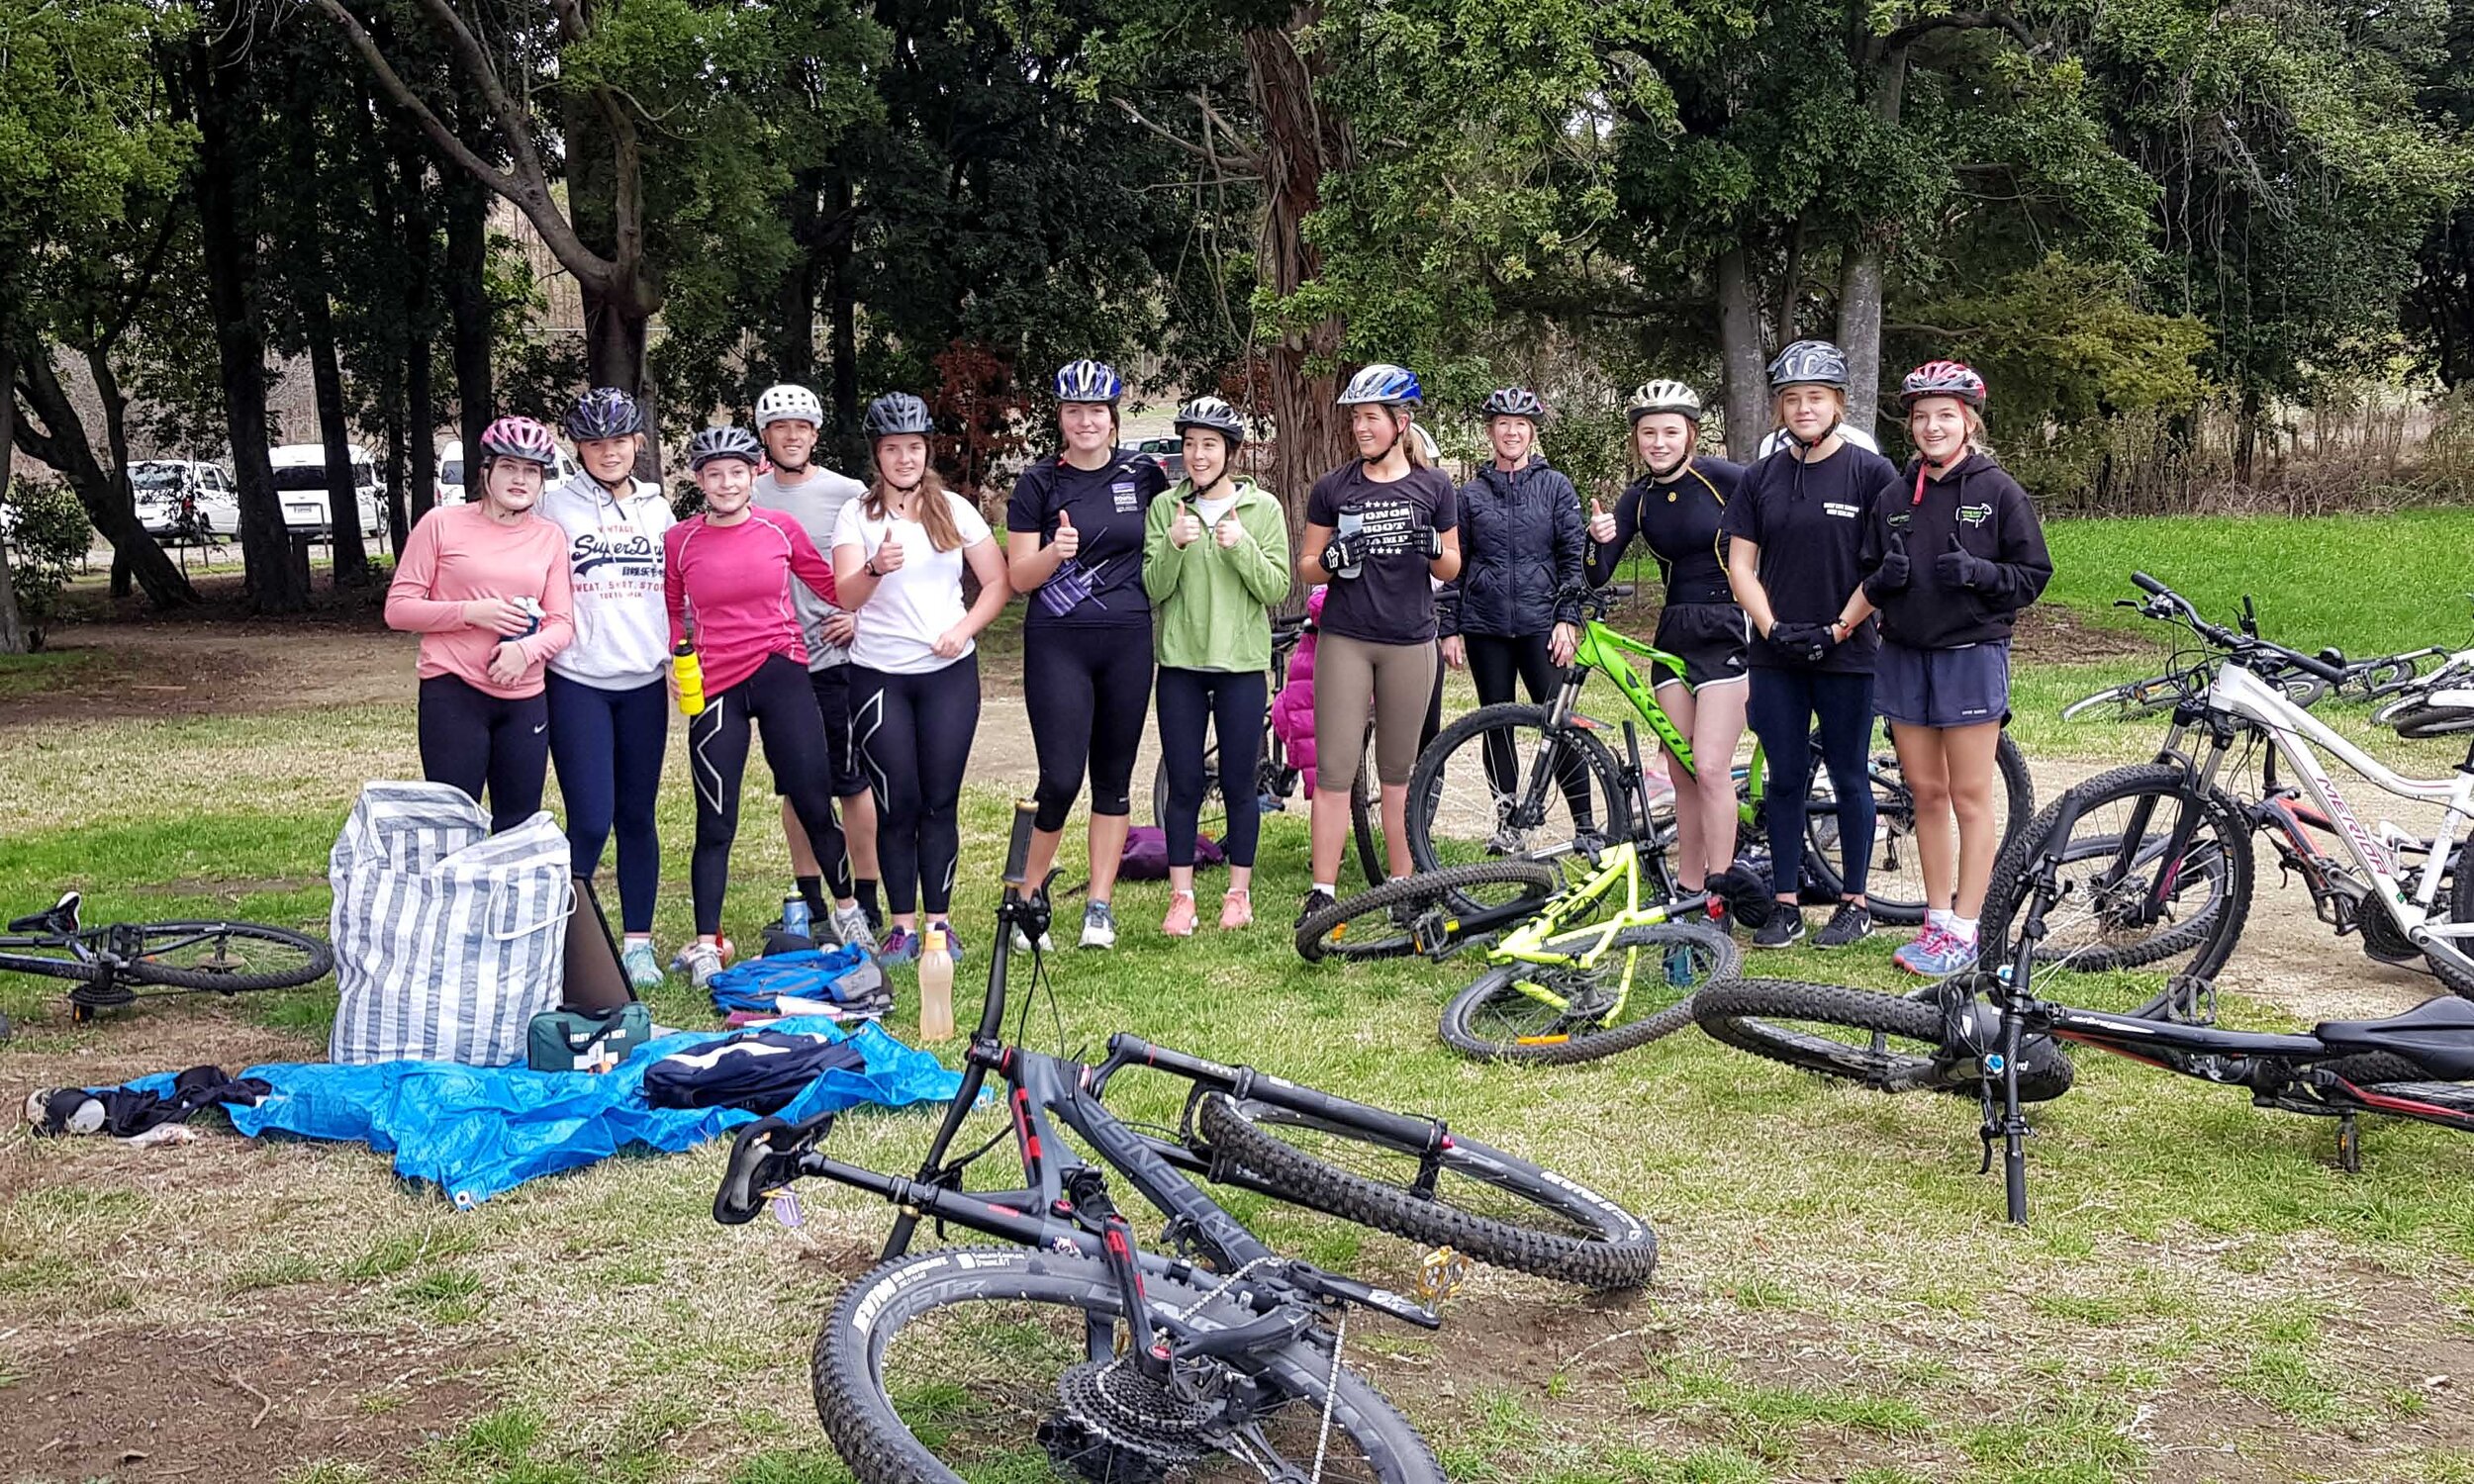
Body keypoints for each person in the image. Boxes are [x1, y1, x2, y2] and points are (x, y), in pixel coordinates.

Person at [1855, 360, 2050, 975]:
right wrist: (1881, 583)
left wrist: (1980, 574)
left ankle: (1970, 927)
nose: (1932, 426)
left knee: (1969, 795)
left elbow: (2033, 576)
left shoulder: (1998, 491)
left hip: (1970, 655)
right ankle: (1936, 920)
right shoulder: (1893, 496)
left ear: (1968, 422)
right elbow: (1869, 569)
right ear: (1909, 425)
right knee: (1926, 793)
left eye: (1946, 415)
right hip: (1906, 654)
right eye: (1921, 417)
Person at [664, 425, 866, 989]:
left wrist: (867, 588)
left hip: (782, 671)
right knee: (716, 819)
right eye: (712, 474)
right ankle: (707, 941)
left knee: (812, 802)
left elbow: (832, 587)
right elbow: (673, 610)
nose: (725, 483)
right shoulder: (680, 540)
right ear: (699, 480)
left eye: (734, 472)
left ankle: (848, 914)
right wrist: (672, 666)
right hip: (716, 684)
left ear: (752, 473)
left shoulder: (781, 527)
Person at [1721, 339, 1901, 951]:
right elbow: (1740, 564)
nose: (1803, 408)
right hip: (1776, 651)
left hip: (1849, 650)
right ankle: (1787, 903)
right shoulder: (1760, 478)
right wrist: (1772, 628)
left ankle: (1855, 901)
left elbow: (1886, 567)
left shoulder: (1871, 474)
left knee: (1850, 775)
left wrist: (1840, 627)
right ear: (1779, 407)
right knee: (1786, 778)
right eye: (1792, 399)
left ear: (1838, 405)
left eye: (1816, 398)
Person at [834, 393, 1011, 963]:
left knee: (940, 801)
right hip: (879, 676)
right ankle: (902, 926)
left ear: (927, 450)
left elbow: (997, 584)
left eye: (913, 447)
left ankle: (939, 923)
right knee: (897, 803)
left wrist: (963, 630)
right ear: (877, 456)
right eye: (892, 449)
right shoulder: (856, 516)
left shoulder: (955, 510)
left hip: (948, 675)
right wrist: (873, 568)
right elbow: (844, 594)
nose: (905, 458)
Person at [1005, 359, 1170, 950]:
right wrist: (1055, 552)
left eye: (1095, 411)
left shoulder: (1144, 475)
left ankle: (1099, 904)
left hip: (1127, 637)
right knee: (1059, 777)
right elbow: (1018, 576)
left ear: (1112, 417)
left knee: (1114, 780)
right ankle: (1024, 894)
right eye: (1073, 411)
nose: (1085, 422)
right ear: (1061, 417)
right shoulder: (1038, 483)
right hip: (1058, 640)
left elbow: (1188, 516)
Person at [1292, 363, 1462, 924]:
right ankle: (1323, 891)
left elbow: (1453, 564)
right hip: (1347, 638)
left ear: (1400, 422)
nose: (1360, 428)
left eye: (1370, 418)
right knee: (1337, 769)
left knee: (1398, 772)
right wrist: (1330, 564)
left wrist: (1431, 542)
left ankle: (1403, 885)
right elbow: (1308, 567)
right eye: (1356, 419)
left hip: (1411, 641)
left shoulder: (1433, 486)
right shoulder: (1333, 487)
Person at [1585, 379, 1752, 915]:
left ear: (1691, 435)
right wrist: (1598, 538)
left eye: (1670, 432)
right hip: (1674, 632)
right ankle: (1688, 890)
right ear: (1636, 438)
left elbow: (1784, 527)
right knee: (1681, 771)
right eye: (1648, 433)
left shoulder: (1726, 478)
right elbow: (1597, 576)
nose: (1658, 442)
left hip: (1729, 626)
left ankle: (1720, 895)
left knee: (1709, 766)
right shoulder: (1639, 497)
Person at [540, 388, 673, 987]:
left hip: (644, 680)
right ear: (579, 448)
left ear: (637, 443)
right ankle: (565, 938)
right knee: (591, 819)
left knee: (637, 816)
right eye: (595, 443)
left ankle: (638, 944)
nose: (609, 452)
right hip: (579, 680)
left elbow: (678, 589)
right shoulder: (554, 508)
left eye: (619, 440)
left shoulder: (658, 507)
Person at [1142, 395, 1288, 936]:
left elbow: (1276, 586)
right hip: (1180, 663)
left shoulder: (1262, 509)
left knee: (1238, 780)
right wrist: (1176, 546)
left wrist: (1242, 547)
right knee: (1183, 783)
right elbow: (1152, 587)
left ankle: (1238, 892)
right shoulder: (1166, 510)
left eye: (1209, 445)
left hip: (1241, 666)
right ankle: (1181, 897)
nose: (1197, 455)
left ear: (1230, 452)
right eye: (1189, 445)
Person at [386, 416, 573, 834]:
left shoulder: (550, 537)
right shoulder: (441, 523)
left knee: (518, 825)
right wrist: (471, 613)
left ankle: (508, 901)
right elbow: (398, 609)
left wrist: (525, 651)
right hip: (453, 690)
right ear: (485, 471)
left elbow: (562, 624)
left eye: (532, 471)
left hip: (524, 696)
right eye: (509, 467)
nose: (520, 479)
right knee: (452, 823)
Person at [752, 382, 884, 938]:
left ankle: (869, 895)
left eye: (801, 427)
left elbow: (876, 569)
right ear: (765, 436)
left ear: (815, 434)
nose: (791, 436)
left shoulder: (849, 493)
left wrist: (858, 616)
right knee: (796, 786)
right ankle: (809, 896)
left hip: (835, 656)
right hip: (777, 661)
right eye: (780, 427)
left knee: (851, 783)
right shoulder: (745, 491)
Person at [1442, 387, 1588, 843]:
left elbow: (1573, 556)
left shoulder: (1555, 487)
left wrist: (1568, 616)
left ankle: (1586, 824)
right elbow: (1453, 565)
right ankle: (1508, 824)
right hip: (1485, 625)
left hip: (1542, 624)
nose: (1511, 431)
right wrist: (1449, 626)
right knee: (1496, 721)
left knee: (1558, 721)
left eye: (1521, 424)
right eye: (1503, 423)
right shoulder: (1468, 495)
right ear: (1490, 431)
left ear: (1532, 432)